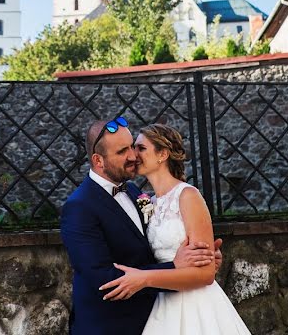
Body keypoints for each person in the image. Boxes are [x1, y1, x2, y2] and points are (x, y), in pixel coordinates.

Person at [60, 117, 223, 335]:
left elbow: (149, 249)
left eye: (132, 147)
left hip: (162, 316)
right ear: (98, 161)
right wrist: (175, 266)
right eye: (122, 151)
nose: (132, 156)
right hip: (110, 327)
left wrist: (204, 259)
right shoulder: (79, 207)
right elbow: (105, 280)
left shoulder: (136, 193)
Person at [100, 123, 251, 334]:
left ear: (162, 154)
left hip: (195, 305)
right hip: (161, 304)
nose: (134, 154)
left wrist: (144, 278)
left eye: (141, 148)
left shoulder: (188, 196)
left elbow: (206, 274)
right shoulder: (147, 201)